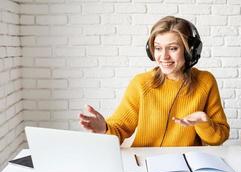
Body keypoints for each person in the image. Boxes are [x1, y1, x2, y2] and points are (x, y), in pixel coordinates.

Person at [79, 16, 229, 147]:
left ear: (190, 51)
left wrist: (204, 122)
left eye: (173, 48)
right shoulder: (141, 84)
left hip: (187, 165)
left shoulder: (205, 82)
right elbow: (119, 129)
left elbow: (219, 138)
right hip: (145, 163)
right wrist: (104, 128)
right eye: (158, 48)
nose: (164, 56)